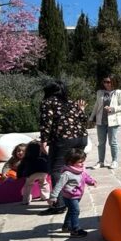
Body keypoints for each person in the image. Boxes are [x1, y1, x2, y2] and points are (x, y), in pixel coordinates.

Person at [39, 81, 89, 216]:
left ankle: (59, 204)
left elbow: (46, 122)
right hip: (81, 138)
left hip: (63, 139)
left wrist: (43, 140)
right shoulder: (71, 102)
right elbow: (84, 119)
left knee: (56, 170)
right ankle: (73, 197)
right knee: (74, 168)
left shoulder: (48, 102)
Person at [48, 148, 96, 238]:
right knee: (75, 211)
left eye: (83, 161)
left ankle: (66, 226)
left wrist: (91, 181)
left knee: (71, 211)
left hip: (78, 195)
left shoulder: (80, 169)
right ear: (70, 162)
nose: (82, 164)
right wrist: (53, 197)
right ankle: (75, 229)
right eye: (80, 162)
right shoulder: (67, 174)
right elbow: (58, 185)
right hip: (70, 196)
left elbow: (85, 177)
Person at [89, 75, 121, 169]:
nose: (106, 84)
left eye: (108, 82)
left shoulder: (118, 92)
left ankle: (114, 161)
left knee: (112, 142)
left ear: (113, 82)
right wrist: (91, 117)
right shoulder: (100, 92)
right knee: (101, 142)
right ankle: (101, 161)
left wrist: (113, 109)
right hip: (101, 120)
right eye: (105, 82)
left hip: (113, 120)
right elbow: (96, 105)